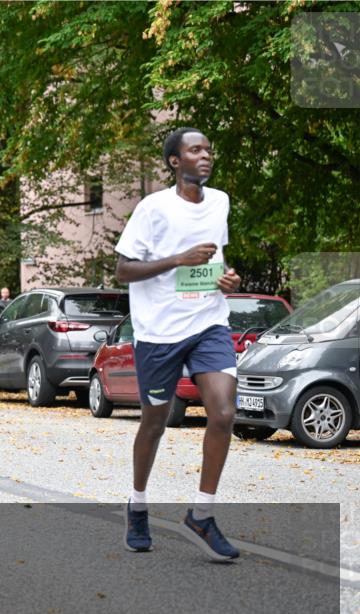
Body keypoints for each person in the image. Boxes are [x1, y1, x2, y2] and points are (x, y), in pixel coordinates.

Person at [115, 127, 242, 561]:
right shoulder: (153, 209)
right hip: (159, 332)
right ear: (175, 162)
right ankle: (137, 503)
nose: (206, 155)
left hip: (208, 321)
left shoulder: (220, 202)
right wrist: (177, 260)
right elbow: (123, 271)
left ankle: (202, 515)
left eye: (208, 148)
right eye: (195, 150)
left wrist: (229, 278)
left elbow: (218, 260)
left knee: (223, 411)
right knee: (154, 421)